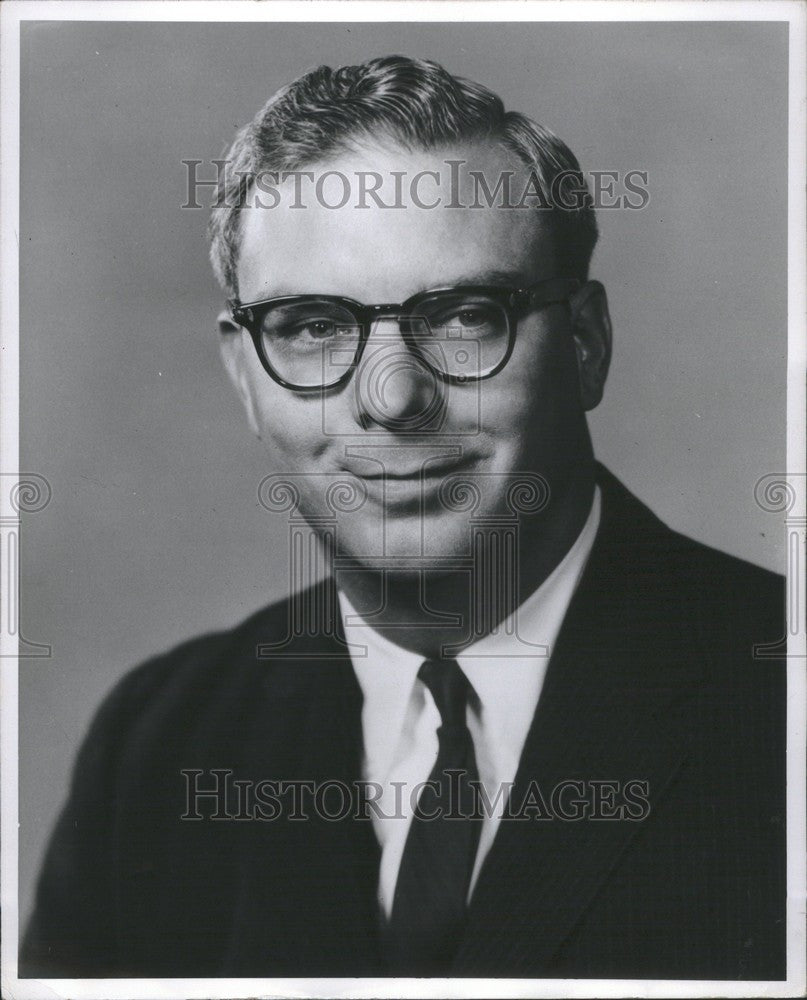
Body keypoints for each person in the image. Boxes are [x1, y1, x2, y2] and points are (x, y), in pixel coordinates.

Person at [22, 55, 785, 981]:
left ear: (584, 345)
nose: (391, 399)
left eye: (464, 314)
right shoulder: (157, 747)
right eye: (313, 325)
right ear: (245, 378)